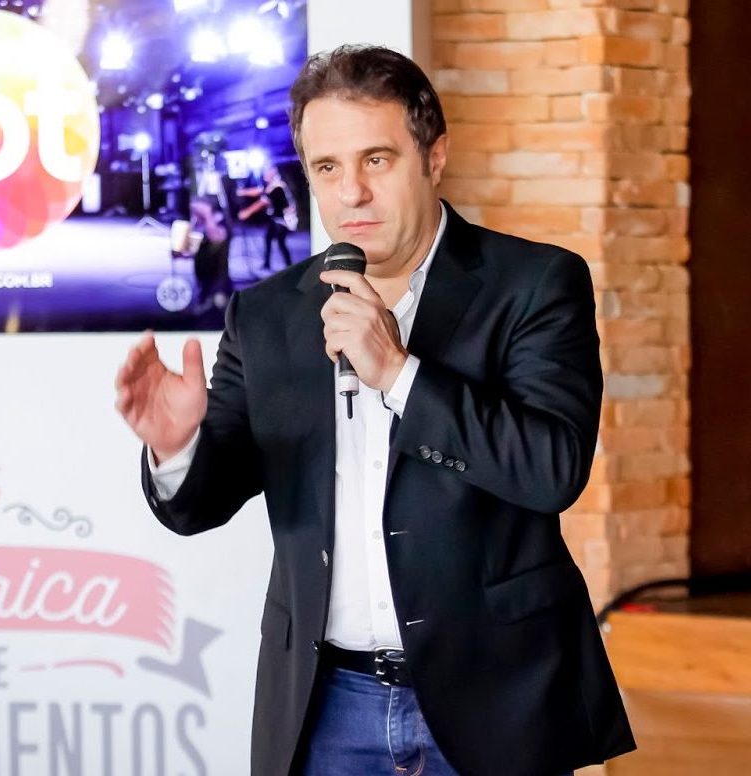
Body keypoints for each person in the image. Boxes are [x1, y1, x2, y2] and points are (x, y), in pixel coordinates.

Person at [116, 45, 635, 776]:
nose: (352, 192)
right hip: (326, 707)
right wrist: (176, 450)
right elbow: (200, 503)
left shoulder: (534, 283)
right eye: (327, 168)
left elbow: (551, 470)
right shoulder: (266, 315)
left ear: (434, 157)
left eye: (377, 160)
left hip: (495, 697)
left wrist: (397, 372)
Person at [237, 165, 295, 270]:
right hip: (275, 219)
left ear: (272, 174)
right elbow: (259, 191)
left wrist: (246, 213)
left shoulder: (277, 187)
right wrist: (242, 192)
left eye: (267, 172)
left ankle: (289, 266)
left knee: (281, 243)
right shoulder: (271, 185)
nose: (264, 174)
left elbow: (263, 202)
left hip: (282, 220)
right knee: (268, 239)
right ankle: (268, 263)